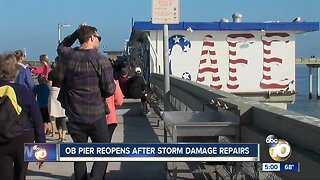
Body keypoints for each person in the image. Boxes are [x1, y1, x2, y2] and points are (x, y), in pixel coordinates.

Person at [57, 24, 115, 180]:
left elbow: (62, 45)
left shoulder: (68, 56)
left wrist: (77, 32)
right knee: (103, 153)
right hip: (96, 114)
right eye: (98, 37)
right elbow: (110, 89)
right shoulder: (101, 60)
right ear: (91, 38)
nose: (99, 40)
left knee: (79, 154)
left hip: (75, 115)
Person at [0, 53, 45, 179]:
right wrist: (42, 149)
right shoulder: (23, 90)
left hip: (2, 138)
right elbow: (37, 119)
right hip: (23, 136)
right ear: (15, 72)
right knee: (21, 174)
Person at [48, 56, 67, 142]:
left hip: (54, 92)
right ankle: (63, 135)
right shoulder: (65, 72)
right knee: (62, 115)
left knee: (56, 115)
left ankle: (59, 135)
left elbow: (49, 84)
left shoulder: (51, 72)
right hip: (62, 92)